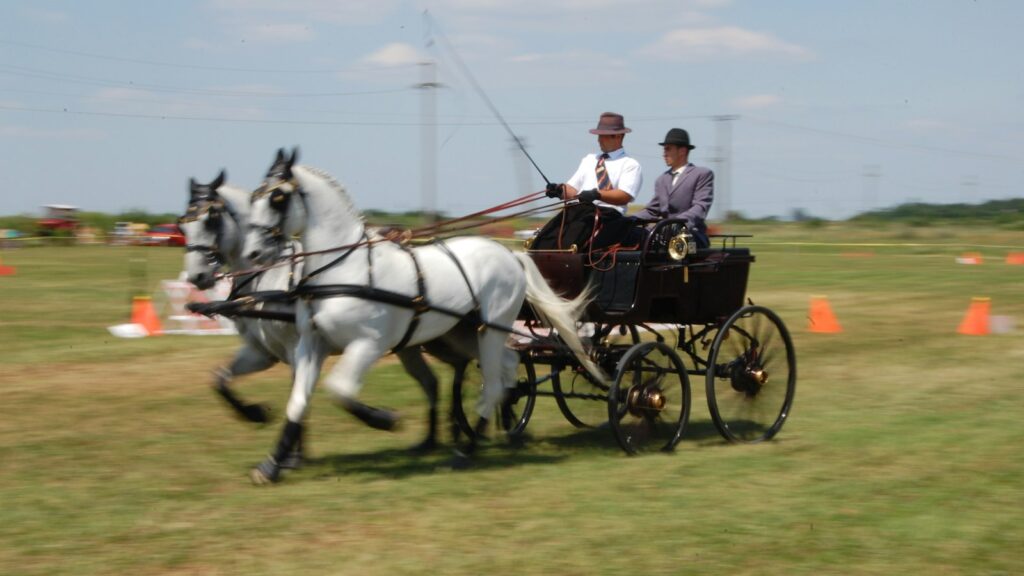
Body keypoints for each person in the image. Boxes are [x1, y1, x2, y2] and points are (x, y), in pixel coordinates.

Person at [531, 112, 643, 250]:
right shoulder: (589, 159)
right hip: (581, 211)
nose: (599, 140)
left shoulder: (630, 165)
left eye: (603, 136)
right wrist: (559, 190)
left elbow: (624, 196)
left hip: (609, 216)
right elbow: (573, 190)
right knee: (547, 236)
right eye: (599, 136)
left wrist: (597, 194)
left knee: (572, 239)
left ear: (618, 136)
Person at [633, 128, 714, 248]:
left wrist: (676, 224)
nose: (664, 153)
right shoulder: (662, 180)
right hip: (664, 235)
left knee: (679, 243)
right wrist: (630, 220)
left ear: (682, 151)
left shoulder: (702, 174)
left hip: (691, 235)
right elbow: (652, 210)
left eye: (668, 149)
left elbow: (700, 207)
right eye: (664, 149)